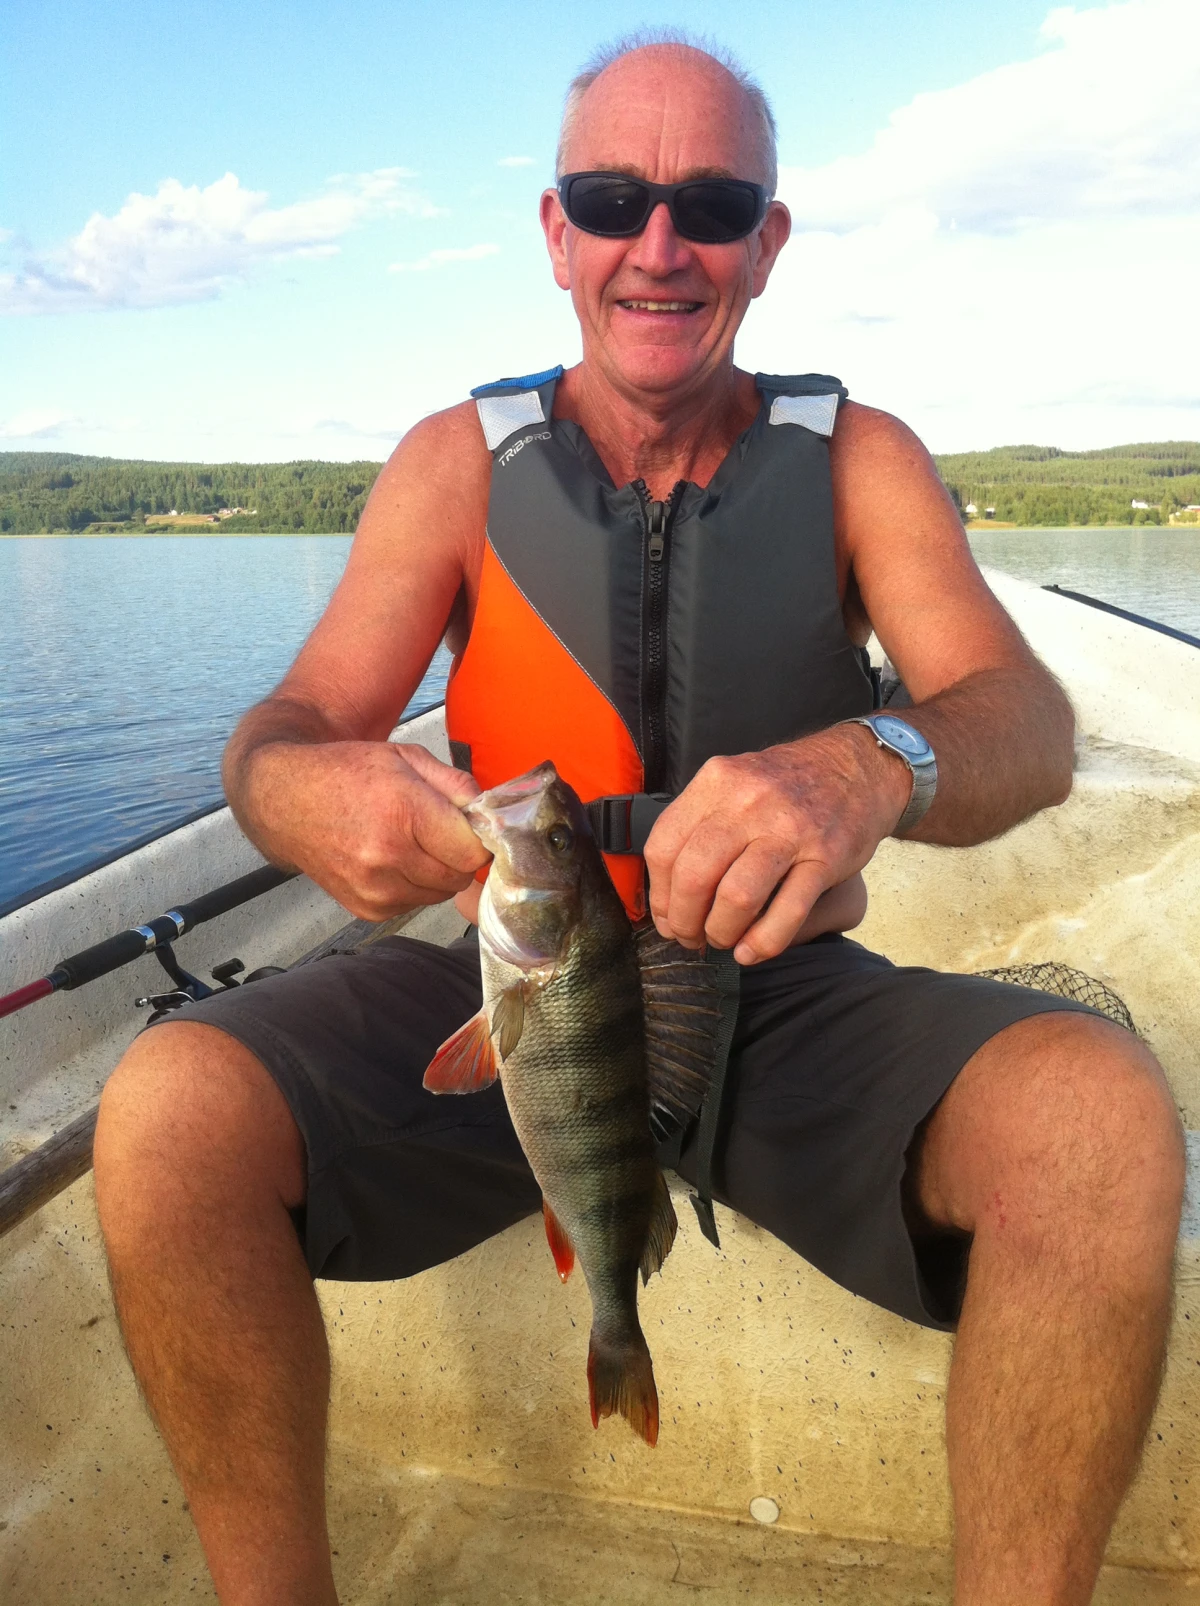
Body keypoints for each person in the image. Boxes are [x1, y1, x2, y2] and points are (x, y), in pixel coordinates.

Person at [93, 35, 1184, 1606]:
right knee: (166, 1108)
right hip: (515, 987)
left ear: (767, 240)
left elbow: (1025, 724)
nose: (659, 244)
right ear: (558, 234)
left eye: (711, 201)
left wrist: (872, 763)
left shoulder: (858, 460)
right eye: (615, 198)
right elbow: (280, 732)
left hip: (783, 992)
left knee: (1098, 1117)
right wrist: (297, 789)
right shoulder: (454, 467)